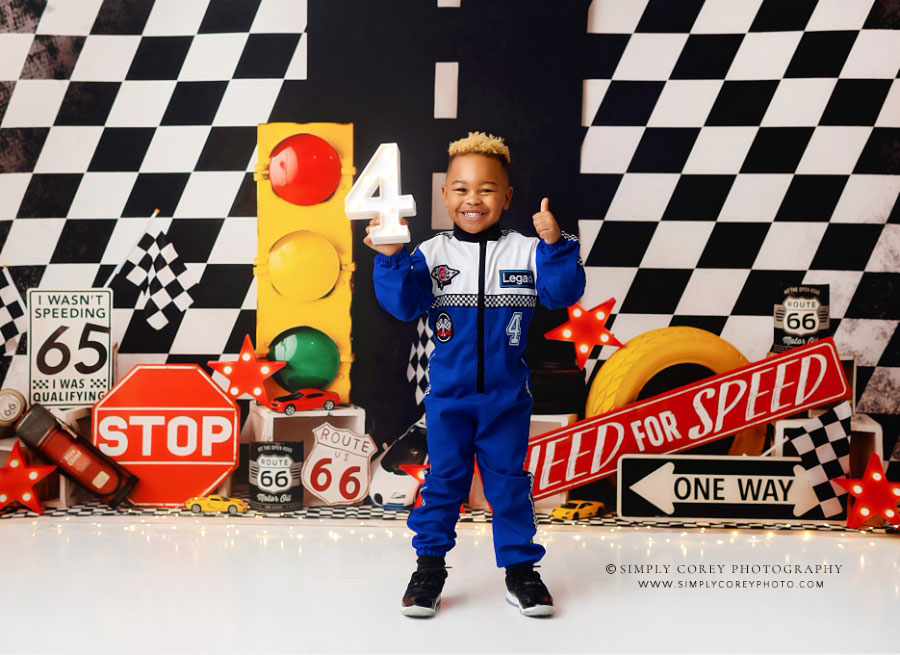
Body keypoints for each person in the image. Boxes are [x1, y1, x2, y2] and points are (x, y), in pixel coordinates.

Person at [365, 132, 586, 618]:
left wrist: (555, 243)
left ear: (507, 197)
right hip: (448, 399)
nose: (472, 199)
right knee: (443, 482)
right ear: (445, 195)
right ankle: (428, 568)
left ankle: (521, 572)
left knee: (508, 484)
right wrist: (389, 258)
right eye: (461, 189)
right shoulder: (431, 253)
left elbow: (561, 292)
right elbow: (402, 304)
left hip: (506, 401)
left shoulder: (527, 252)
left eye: (486, 189)